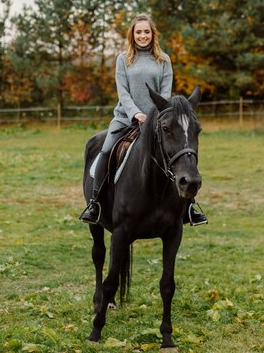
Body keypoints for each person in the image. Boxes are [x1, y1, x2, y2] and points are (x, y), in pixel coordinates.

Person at [79, 13, 207, 226]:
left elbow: (165, 95)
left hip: (158, 122)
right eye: (138, 32)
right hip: (125, 119)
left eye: (146, 31)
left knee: (180, 155)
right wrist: (135, 114)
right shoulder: (123, 59)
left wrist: (153, 117)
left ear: (152, 34)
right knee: (106, 151)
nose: (142, 35)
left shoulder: (164, 60)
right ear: (133, 34)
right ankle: (95, 204)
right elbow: (123, 93)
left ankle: (189, 207)